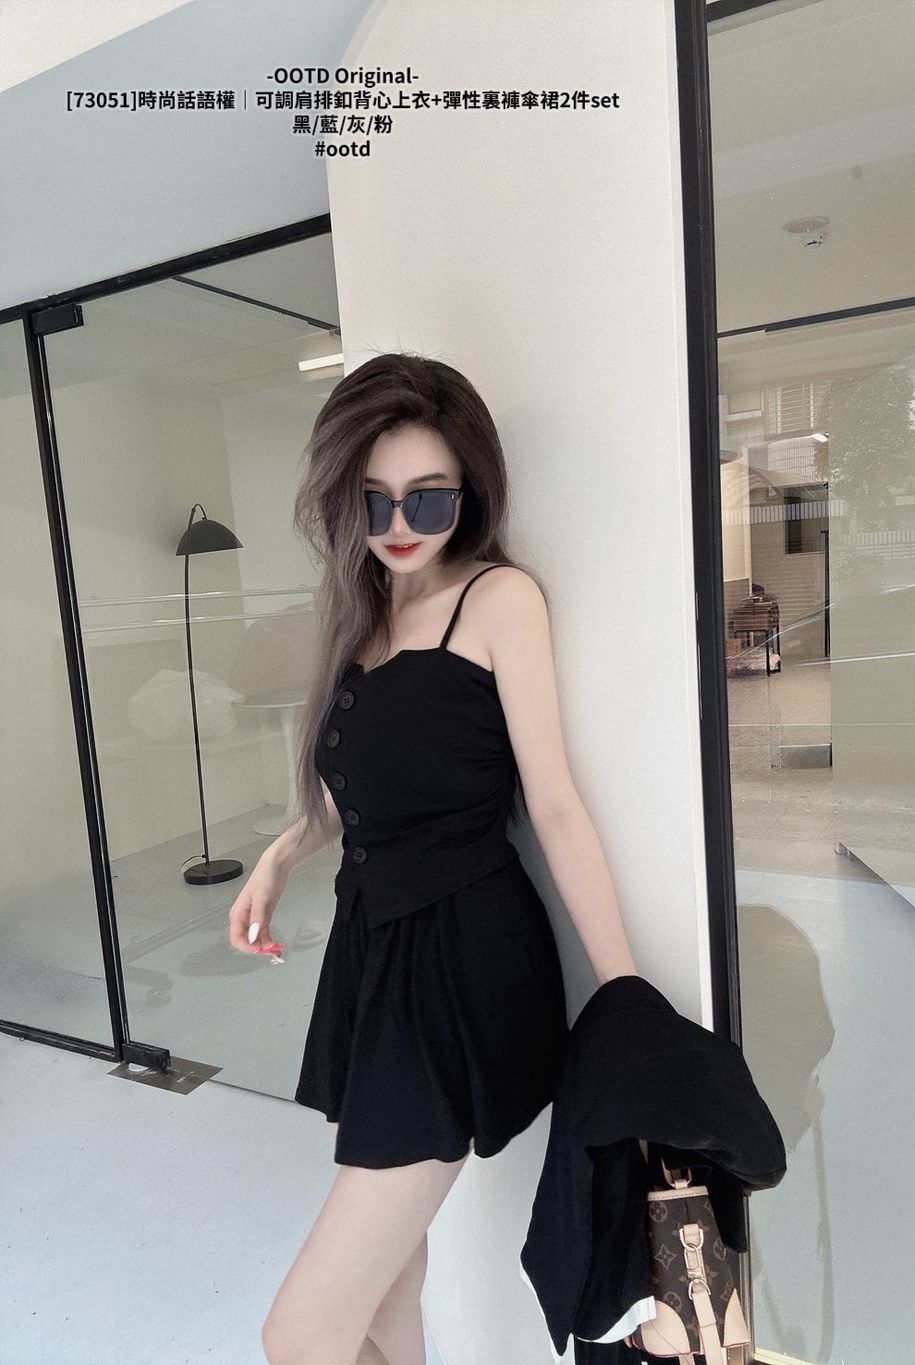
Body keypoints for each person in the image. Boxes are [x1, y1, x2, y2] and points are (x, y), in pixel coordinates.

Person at [227, 352, 638, 1365]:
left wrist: (623, 992)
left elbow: (553, 803)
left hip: (459, 962)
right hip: (372, 958)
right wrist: (282, 851)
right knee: (388, 1286)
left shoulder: (497, 599)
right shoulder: (363, 611)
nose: (400, 524)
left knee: (299, 1333)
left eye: (429, 497)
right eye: (374, 501)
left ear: (471, 490)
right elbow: (360, 791)